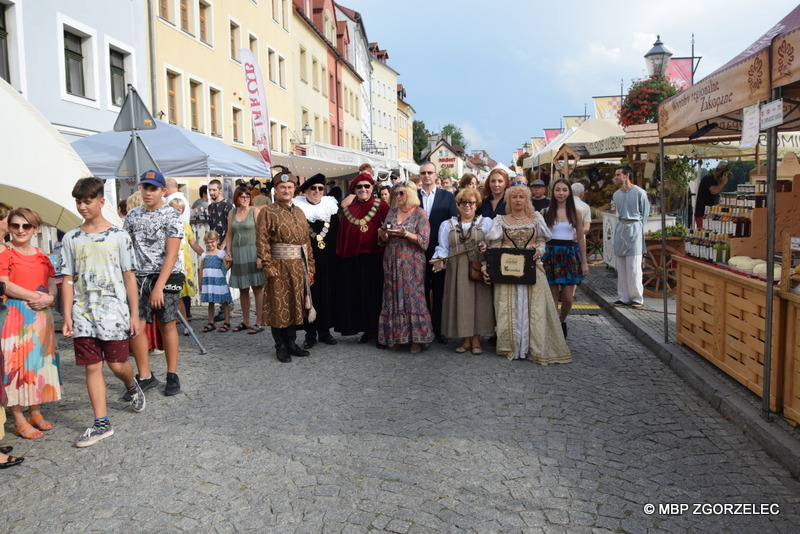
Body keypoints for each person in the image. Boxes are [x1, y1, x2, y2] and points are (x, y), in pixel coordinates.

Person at [61, 177, 146, 447]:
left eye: (87, 201)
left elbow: (129, 276)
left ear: (101, 201)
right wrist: (66, 316)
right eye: (78, 201)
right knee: (92, 367)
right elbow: (67, 279)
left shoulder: (119, 237)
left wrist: (134, 314)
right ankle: (101, 423)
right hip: (83, 315)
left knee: (117, 365)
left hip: (114, 314)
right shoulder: (71, 238)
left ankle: (131, 384)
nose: (82, 207)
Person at [483, 184, 572, 364]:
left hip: (532, 268)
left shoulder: (536, 218)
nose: (517, 200)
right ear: (508, 200)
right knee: (509, 306)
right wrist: (491, 264)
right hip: (508, 270)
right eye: (514, 197)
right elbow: (495, 245)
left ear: (527, 200)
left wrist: (539, 250)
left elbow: (541, 240)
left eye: (521, 197)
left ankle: (532, 346)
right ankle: (512, 346)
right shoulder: (501, 220)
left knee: (535, 308)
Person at [1, 208, 61, 439]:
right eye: (15, 225)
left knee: (37, 364)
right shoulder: (5, 253)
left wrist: (51, 297)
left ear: (36, 229)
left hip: (40, 316)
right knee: (15, 366)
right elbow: (4, 284)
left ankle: (35, 411)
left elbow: (51, 280)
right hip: (15, 315)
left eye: (26, 226)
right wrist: (37, 297)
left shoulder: (41, 255)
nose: (20, 230)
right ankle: (18, 418)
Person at [123, 170, 185, 396]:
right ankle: (145, 375)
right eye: (145, 187)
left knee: (166, 323)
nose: (148, 192)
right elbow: (127, 247)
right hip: (139, 277)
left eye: (153, 188)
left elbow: (172, 254)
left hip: (166, 275)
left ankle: (172, 374)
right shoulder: (132, 216)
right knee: (137, 325)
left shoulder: (171, 216)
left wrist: (159, 286)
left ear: (163, 191)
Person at [256, 169, 316, 362]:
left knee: (295, 305)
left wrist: (311, 267)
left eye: (290, 187)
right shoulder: (267, 211)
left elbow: (306, 242)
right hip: (278, 265)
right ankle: (280, 345)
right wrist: (267, 265)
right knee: (278, 304)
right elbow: (262, 240)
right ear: (276, 189)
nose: (286, 190)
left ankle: (291, 342)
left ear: (294, 189)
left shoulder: (299, 212)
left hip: (298, 266)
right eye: (282, 187)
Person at [431, 188, 494, 354]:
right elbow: (443, 247)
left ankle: (477, 340)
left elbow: (494, 244)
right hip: (456, 268)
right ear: (458, 205)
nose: (467, 206)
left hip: (478, 267)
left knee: (480, 302)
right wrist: (439, 260)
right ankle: (465, 339)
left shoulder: (486, 223)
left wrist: (486, 246)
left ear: (476, 205)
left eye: (471, 203)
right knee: (462, 302)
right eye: (463, 203)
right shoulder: (447, 225)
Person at [377, 180, 433, 353]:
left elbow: (424, 240)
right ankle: (394, 336)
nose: (398, 196)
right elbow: (383, 240)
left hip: (412, 262)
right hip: (392, 260)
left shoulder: (420, 214)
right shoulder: (392, 212)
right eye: (396, 193)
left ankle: (416, 339)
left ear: (410, 193)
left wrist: (406, 233)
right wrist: (383, 233)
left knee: (413, 298)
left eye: (401, 193)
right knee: (392, 296)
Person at [334, 172, 390, 345]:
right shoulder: (350, 210)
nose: (363, 189)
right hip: (356, 259)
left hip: (377, 258)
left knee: (378, 294)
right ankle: (367, 329)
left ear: (372, 188)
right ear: (354, 190)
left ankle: (381, 330)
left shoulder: (382, 206)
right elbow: (344, 236)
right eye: (359, 187)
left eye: (367, 186)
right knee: (361, 295)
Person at [293, 173, 339, 348]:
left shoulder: (331, 208)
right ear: (305, 191)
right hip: (306, 260)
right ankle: (310, 334)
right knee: (309, 295)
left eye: (321, 188)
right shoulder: (298, 210)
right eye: (313, 188)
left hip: (329, 259)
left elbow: (337, 234)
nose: (317, 191)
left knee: (327, 294)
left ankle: (325, 332)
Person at [542, 179, 589, 339]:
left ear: (569, 192)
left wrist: (584, 261)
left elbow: (581, 237)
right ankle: (555, 328)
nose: (561, 193)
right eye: (557, 190)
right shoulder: (545, 211)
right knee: (553, 296)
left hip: (569, 253)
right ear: (553, 192)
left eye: (564, 190)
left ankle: (562, 320)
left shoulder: (576, 211)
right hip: (551, 253)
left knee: (568, 298)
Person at [418, 161, 457, 345]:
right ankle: (422, 329)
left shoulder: (447, 197)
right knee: (421, 292)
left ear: (436, 176)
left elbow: (453, 223)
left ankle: (439, 329)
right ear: (420, 175)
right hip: (416, 253)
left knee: (439, 291)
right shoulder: (413, 197)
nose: (426, 175)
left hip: (439, 251)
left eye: (430, 172)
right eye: (423, 172)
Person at [223, 186, 265, 334]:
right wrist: (228, 252)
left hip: (253, 252)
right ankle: (246, 321)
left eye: (247, 196)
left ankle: (259, 322)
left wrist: (261, 255)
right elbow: (229, 234)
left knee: (258, 288)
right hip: (238, 253)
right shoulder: (232, 213)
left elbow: (262, 234)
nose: (246, 199)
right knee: (243, 289)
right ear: (236, 198)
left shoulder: (255, 211)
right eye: (242, 196)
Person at [612, 165, 650, 308]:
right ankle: (623, 296)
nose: (616, 177)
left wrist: (638, 228)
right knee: (621, 265)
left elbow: (644, 214)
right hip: (621, 228)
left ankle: (636, 297)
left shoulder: (640, 192)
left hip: (634, 228)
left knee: (633, 265)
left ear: (626, 175)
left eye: (618, 174)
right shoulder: (616, 195)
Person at [168, 198, 203, 323]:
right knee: (175, 294)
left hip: (184, 263)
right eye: (174, 209)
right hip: (170, 264)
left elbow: (193, 243)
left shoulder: (185, 226)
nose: (176, 212)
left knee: (184, 293)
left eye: (179, 210)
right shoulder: (165, 225)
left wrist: (205, 255)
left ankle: (185, 316)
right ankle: (178, 317)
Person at [199, 231, 233, 332]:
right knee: (211, 302)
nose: (210, 244)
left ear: (217, 241)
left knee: (225, 302)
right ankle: (211, 322)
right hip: (209, 282)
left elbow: (226, 267)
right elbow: (201, 269)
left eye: (212, 242)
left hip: (219, 282)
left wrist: (230, 262)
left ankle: (227, 322)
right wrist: (201, 283)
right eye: (207, 242)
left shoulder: (221, 253)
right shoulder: (204, 255)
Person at [694, 161, 729, 228]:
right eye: (725, 174)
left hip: (709, 214)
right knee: (703, 232)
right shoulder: (708, 178)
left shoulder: (715, 181)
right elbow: (714, 191)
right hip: (703, 214)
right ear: (721, 172)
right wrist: (723, 183)